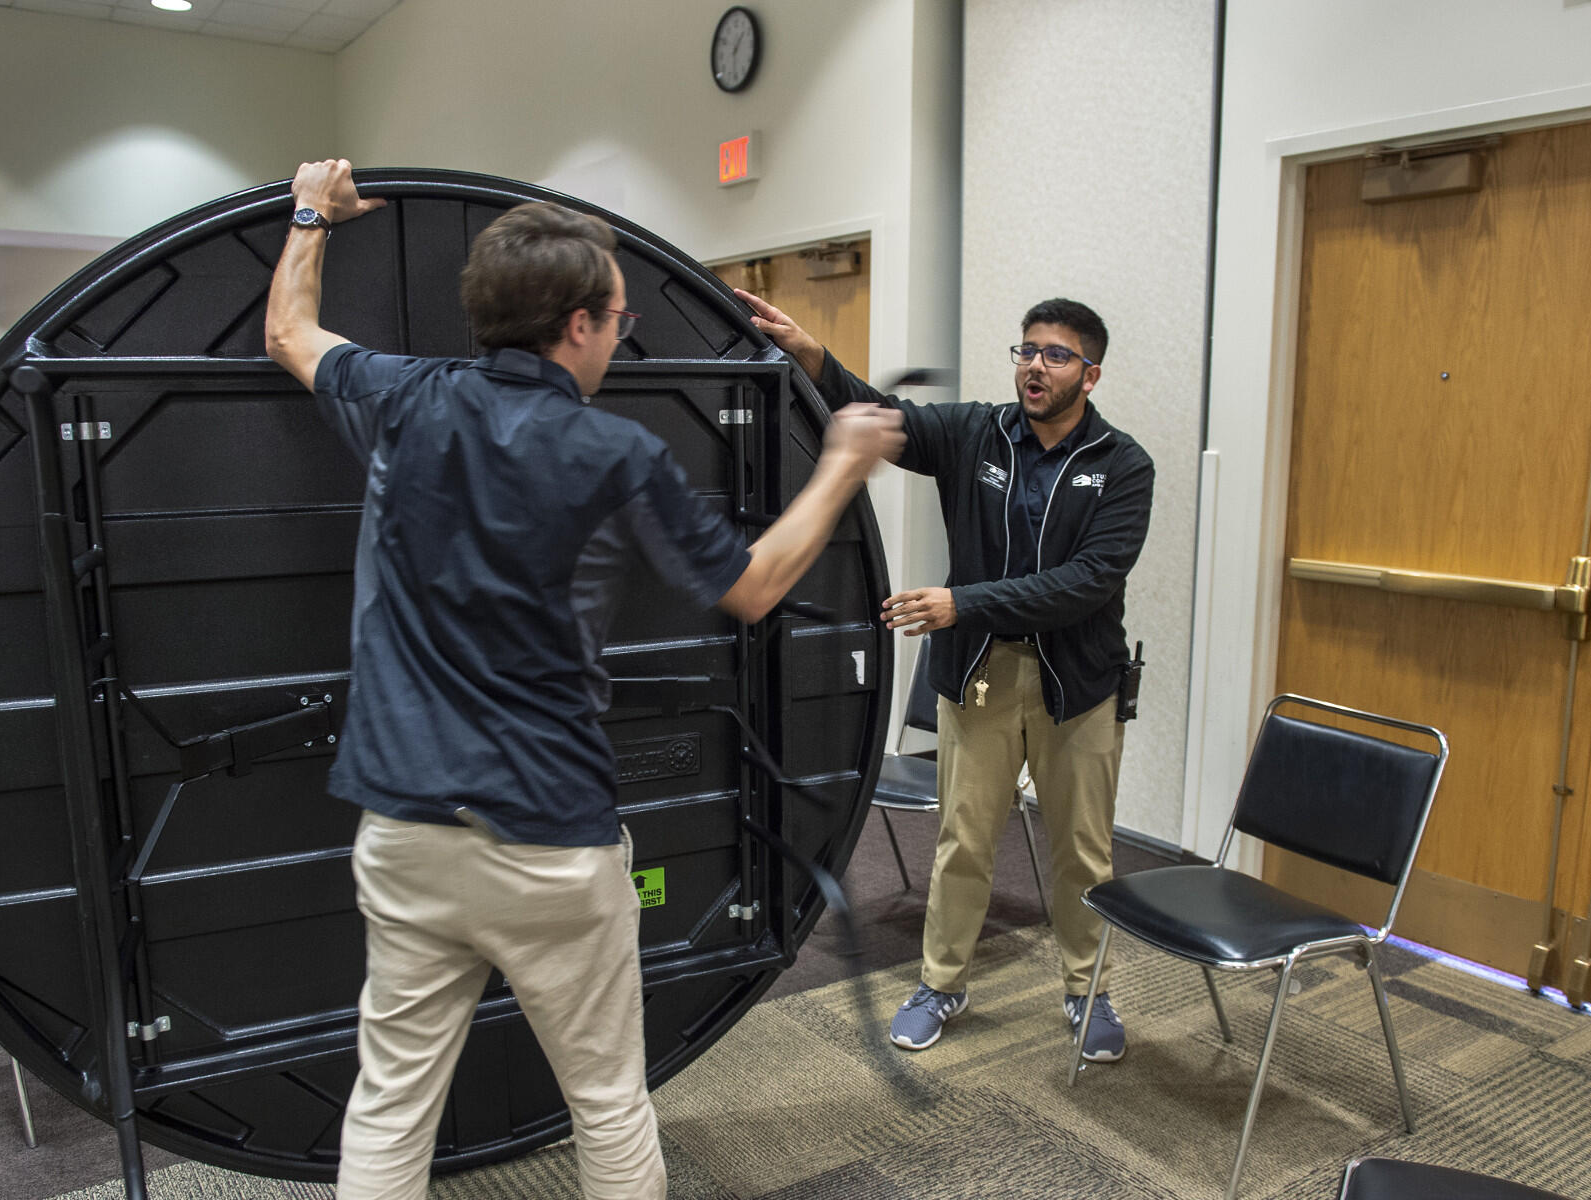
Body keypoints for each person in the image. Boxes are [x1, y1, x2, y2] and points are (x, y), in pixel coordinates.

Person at [264, 160, 904, 1200]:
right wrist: (841, 462)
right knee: (608, 1102)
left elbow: (289, 333)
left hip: (404, 831)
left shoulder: (401, 399)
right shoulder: (617, 453)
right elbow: (751, 588)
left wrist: (310, 214)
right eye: (618, 315)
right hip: (548, 843)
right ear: (576, 326)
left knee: (388, 1107)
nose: (624, 328)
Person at [736, 287, 1153, 1065]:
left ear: (1089, 376)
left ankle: (1087, 990)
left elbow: (1089, 581)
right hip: (981, 679)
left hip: (1080, 689)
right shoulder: (975, 432)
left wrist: (963, 602)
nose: (1035, 366)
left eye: (1056, 355)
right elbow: (879, 416)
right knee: (963, 841)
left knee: (1083, 853)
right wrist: (812, 356)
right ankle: (941, 982)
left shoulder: (1124, 466)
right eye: (1027, 349)